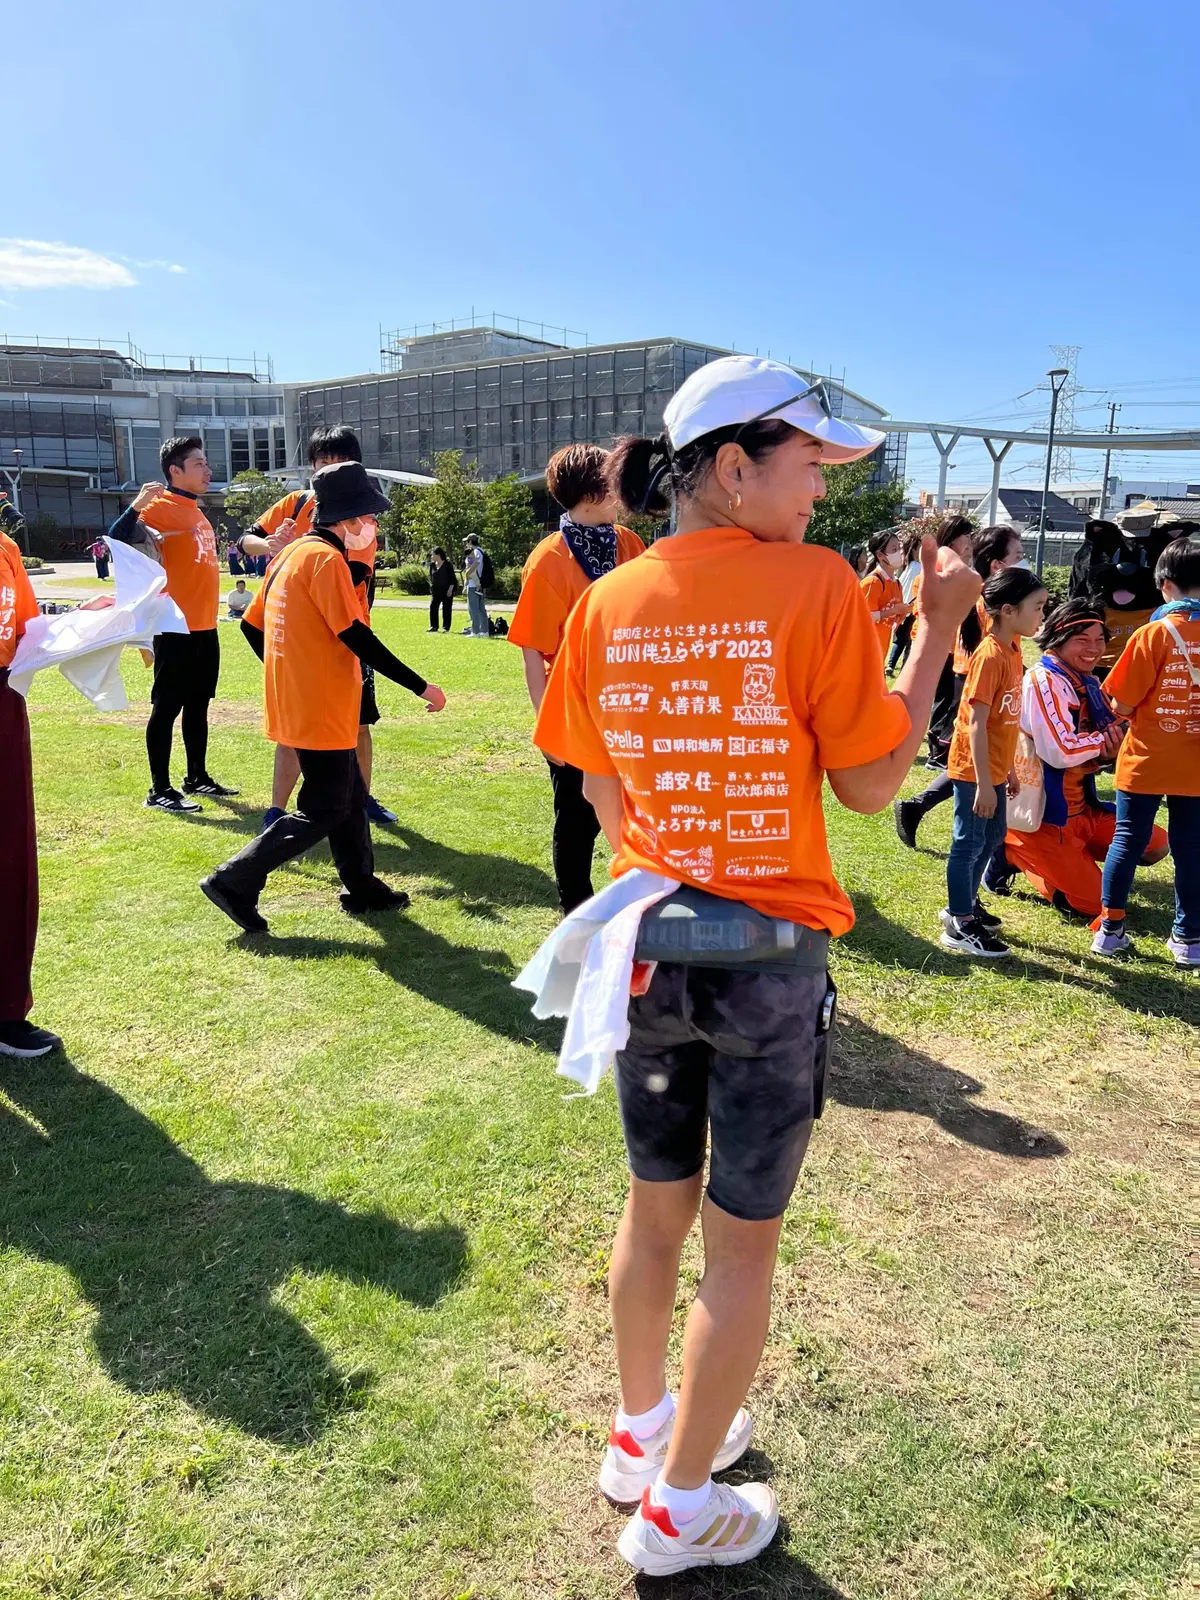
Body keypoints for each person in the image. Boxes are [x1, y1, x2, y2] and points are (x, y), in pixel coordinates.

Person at [530, 355, 980, 1576]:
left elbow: (590, 778)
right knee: (742, 1243)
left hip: (650, 941)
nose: (823, 496)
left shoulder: (607, 598)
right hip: (768, 954)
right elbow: (874, 780)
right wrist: (937, 631)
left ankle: (641, 1436)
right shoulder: (813, 584)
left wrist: (669, 836)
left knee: (654, 1202)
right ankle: (678, 1510)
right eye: (809, 467)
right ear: (732, 466)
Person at [200, 462, 446, 934]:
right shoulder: (327, 559)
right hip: (321, 704)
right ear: (349, 520)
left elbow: (253, 627)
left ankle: (363, 888)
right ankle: (234, 879)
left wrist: (289, 672)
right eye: (369, 518)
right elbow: (356, 635)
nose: (372, 527)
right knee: (328, 807)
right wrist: (421, 686)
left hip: (305, 700)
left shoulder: (290, 555)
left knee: (349, 795)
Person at [508, 443, 646, 913]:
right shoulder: (549, 559)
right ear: (592, 492)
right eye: (613, 479)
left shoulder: (629, 544)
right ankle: (577, 910)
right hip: (574, 710)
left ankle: (646, 893)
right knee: (576, 817)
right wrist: (547, 726)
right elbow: (533, 649)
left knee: (639, 803)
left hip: (630, 705)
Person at [239, 426, 397, 830]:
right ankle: (277, 809)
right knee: (293, 727)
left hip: (347, 633)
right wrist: (273, 544)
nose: (328, 470)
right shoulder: (295, 503)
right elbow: (244, 542)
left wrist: (305, 545)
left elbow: (353, 572)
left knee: (358, 723)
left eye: (337, 461)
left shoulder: (359, 514)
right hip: (297, 635)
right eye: (321, 462)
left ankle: (361, 797)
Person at [996, 600, 1167, 919]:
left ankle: (1072, 862)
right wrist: (1105, 745)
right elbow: (1059, 752)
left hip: (1084, 810)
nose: (1094, 648)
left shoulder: (1084, 679)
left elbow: (1105, 738)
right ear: (1059, 640)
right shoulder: (1044, 680)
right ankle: (1012, 851)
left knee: (1156, 844)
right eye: (1082, 640)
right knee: (1094, 905)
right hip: (1046, 820)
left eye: (1100, 638)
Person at [107, 436, 235, 813]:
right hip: (173, 626)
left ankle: (196, 777)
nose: (207, 469)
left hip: (204, 626)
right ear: (174, 471)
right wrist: (137, 505)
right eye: (198, 464)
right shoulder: (159, 505)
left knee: (199, 705)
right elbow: (116, 538)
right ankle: (158, 789)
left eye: (206, 463)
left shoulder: (195, 510)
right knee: (167, 708)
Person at [1093, 536, 1200, 966]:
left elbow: (1120, 703)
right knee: (1192, 846)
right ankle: (1189, 939)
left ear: (1164, 584)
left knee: (1127, 838)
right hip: (1195, 765)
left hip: (1146, 758)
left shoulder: (1152, 633)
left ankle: (1111, 930)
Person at [894, 521, 1026, 846]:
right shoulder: (993, 604)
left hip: (973, 680)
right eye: (1019, 555)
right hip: (975, 682)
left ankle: (917, 806)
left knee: (968, 755)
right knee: (971, 757)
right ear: (998, 564)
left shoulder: (989, 598)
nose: (1024, 562)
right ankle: (925, 809)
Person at [939, 567, 1047, 958]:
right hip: (974, 770)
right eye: (1036, 608)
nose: (1041, 616)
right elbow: (976, 724)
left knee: (993, 836)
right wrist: (985, 783)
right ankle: (959, 921)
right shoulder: (989, 656)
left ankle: (966, 903)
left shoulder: (1015, 649)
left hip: (996, 769)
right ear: (1006, 610)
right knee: (968, 843)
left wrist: (1010, 770)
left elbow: (1007, 719)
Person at [0, 528, 63, 1057]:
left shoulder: (6, 549)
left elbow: (27, 632)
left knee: (10, 855)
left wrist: (88, 619)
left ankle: (5, 1011)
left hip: (3, 701)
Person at [858, 527, 908, 662]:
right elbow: (864, 617)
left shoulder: (896, 583)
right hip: (862, 651)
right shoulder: (872, 582)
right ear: (880, 555)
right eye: (894, 549)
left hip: (881, 649)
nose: (899, 553)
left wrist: (906, 610)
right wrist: (894, 610)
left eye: (899, 548)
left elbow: (896, 616)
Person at [887, 529, 922, 674]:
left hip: (901, 607)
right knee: (907, 641)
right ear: (915, 549)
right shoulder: (918, 568)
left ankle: (891, 663)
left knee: (899, 639)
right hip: (910, 608)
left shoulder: (904, 567)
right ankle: (902, 668)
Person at [463, 534, 490, 637]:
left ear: (470, 542)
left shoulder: (475, 552)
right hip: (479, 583)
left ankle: (475, 631)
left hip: (474, 584)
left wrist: (467, 573)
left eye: (467, 542)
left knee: (473, 608)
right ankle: (484, 630)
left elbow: (476, 564)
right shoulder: (481, 551)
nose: (466, 544)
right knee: (480, 608)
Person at [428, 547, 456, 632]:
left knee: (446, 609)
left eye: (433, 554)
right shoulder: (432, 565)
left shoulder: (447, 565)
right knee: (433, 607)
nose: (431, 556)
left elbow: (453, 579)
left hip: (447, 591)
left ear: (438, 555)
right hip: (436, 591)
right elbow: (431, 577)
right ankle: (434, 626)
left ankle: (446, 627)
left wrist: (450, 590)